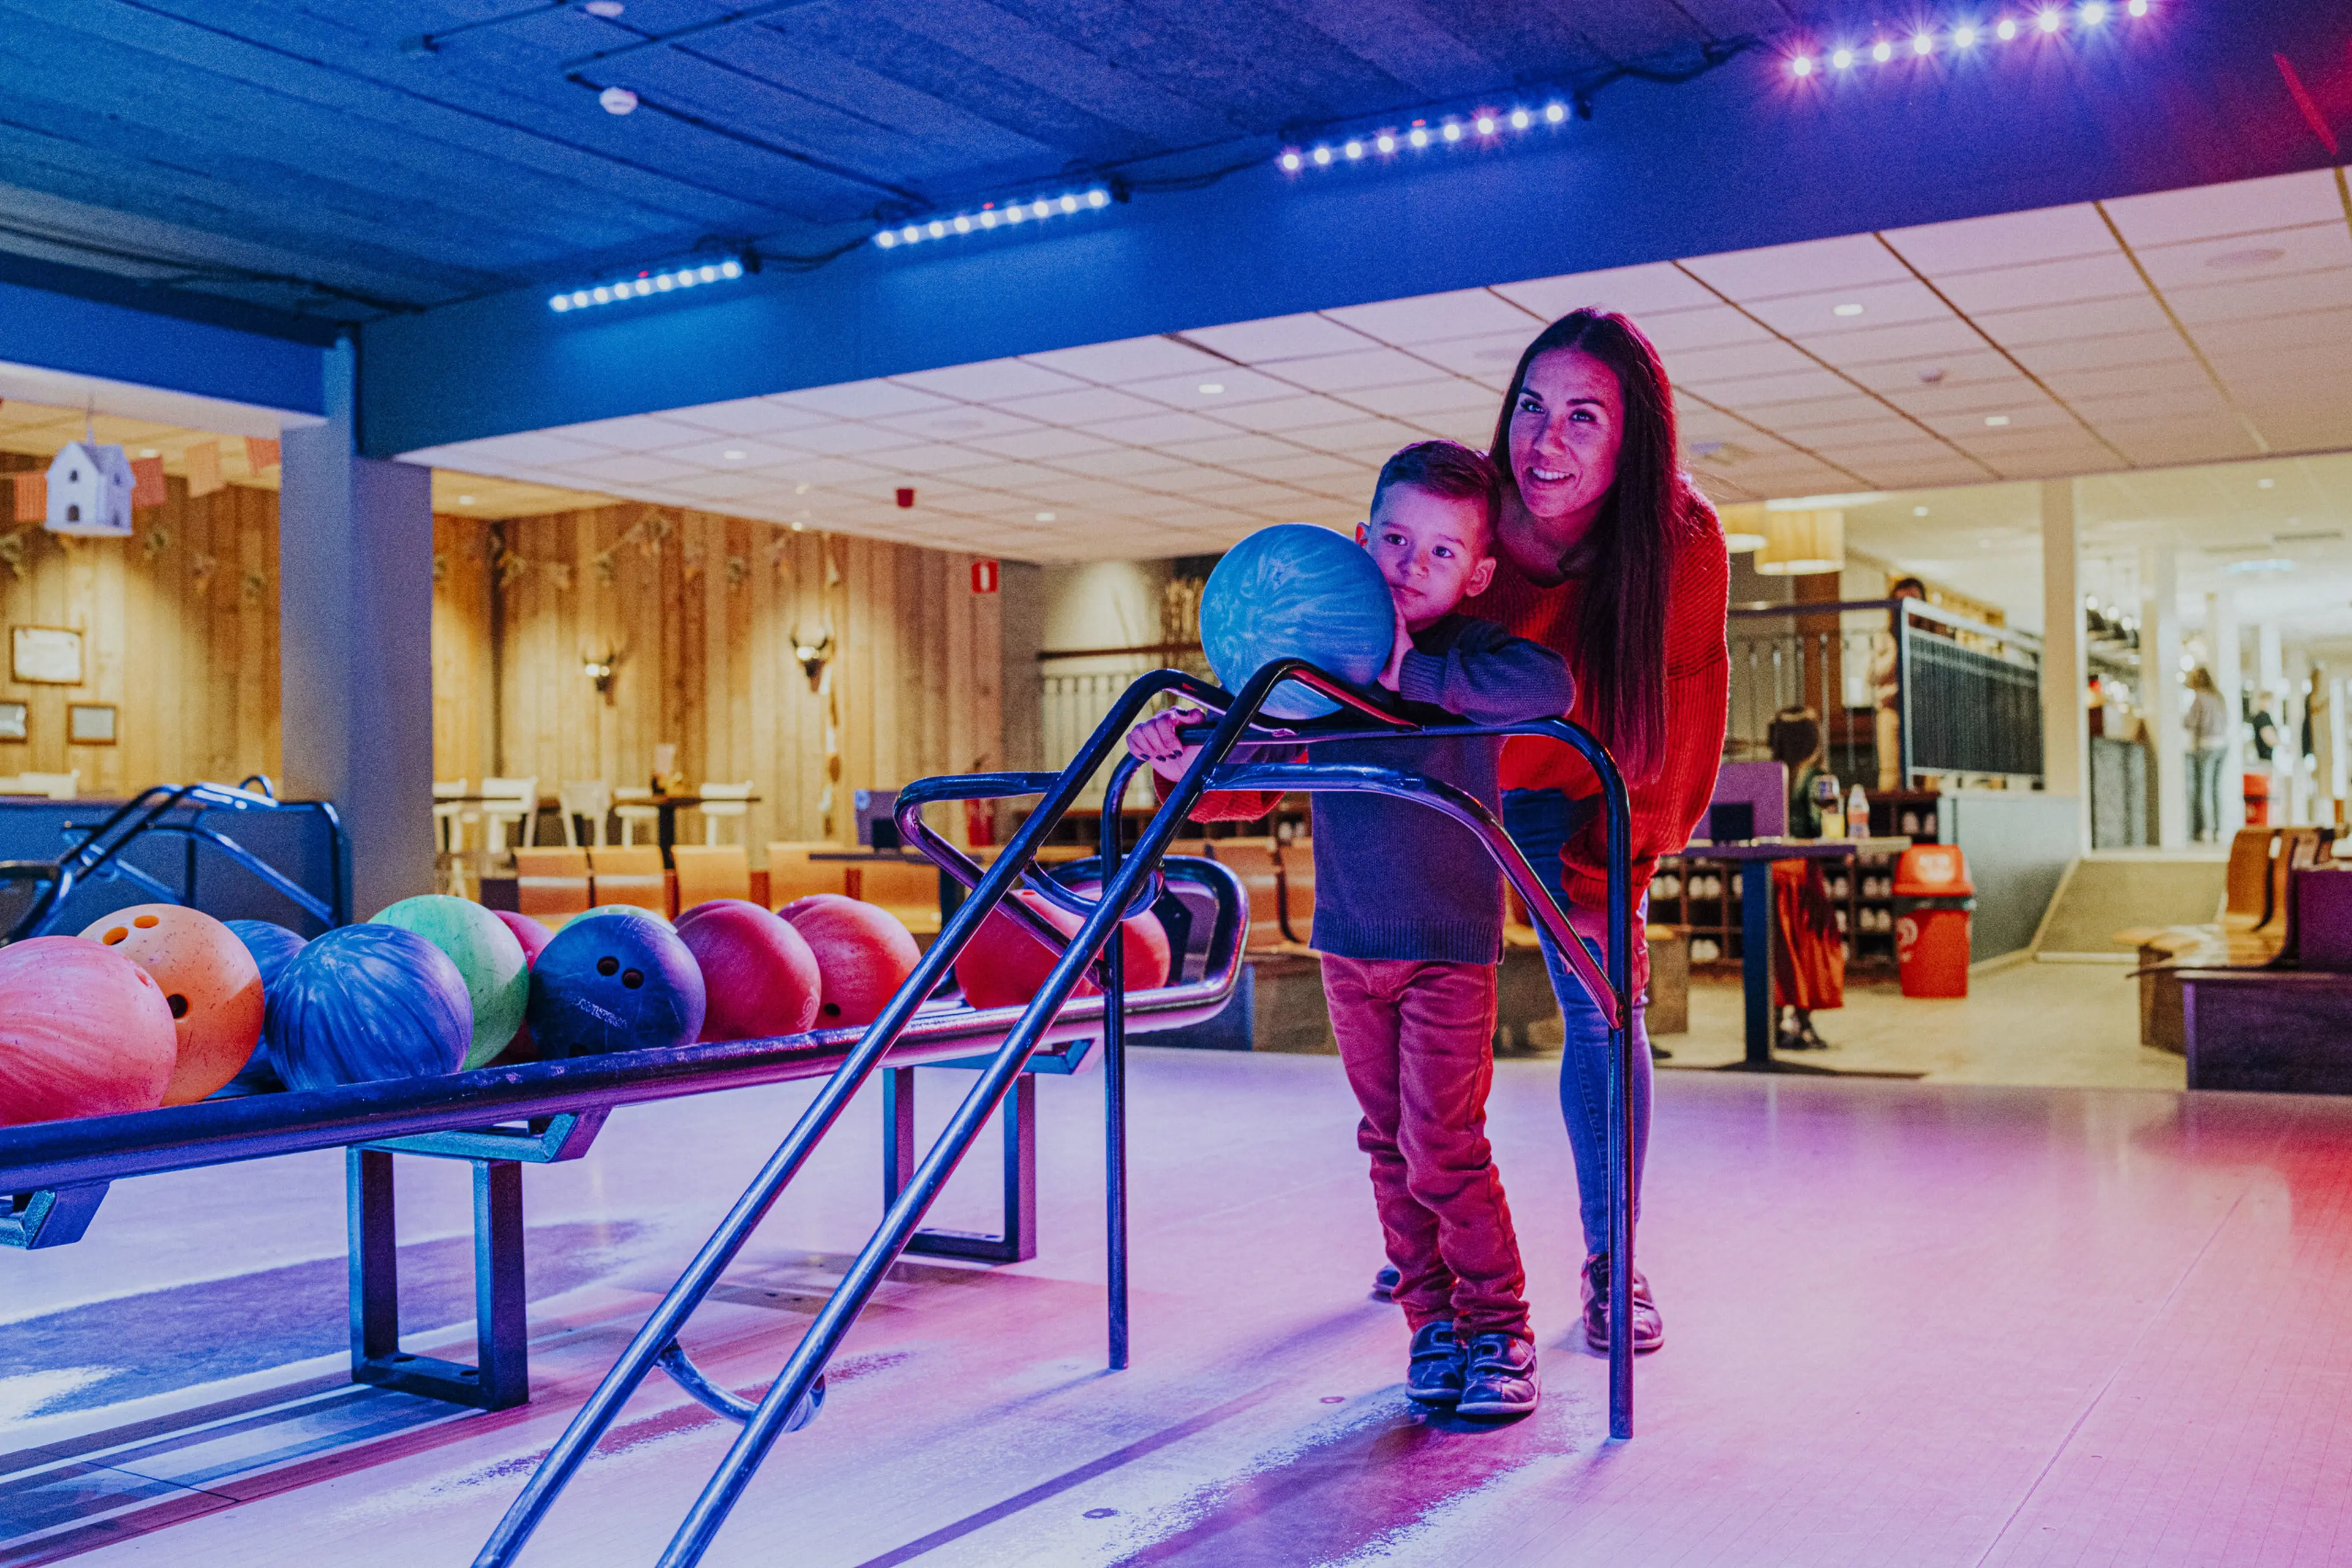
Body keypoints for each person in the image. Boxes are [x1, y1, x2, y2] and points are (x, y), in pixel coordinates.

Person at [1128, 440, 1574, 1418]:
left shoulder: (1468, 660)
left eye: (1443, 555)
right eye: (1397, 542)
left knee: (1442, 1143)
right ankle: (1434, 1326)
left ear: (1479, 574)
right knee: (1386, 1141)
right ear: (1359, 539)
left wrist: (1412, 673)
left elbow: (1550, 690)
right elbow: (1243, 786)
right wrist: (1173, 757)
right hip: (1349, 945)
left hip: (1450, 947)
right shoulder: (1315, 680)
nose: (1413, 569)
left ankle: (1499, 1327)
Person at [1455, 310, 1729, 1357]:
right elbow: (1360, 674)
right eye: (1531, 406)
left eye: (1583, 416)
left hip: (1586, 791)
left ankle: (1613, 1257)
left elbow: (1676, 735)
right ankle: (1430, 1226)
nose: (1545, 440)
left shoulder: (1681, 541)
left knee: (1608, 1010)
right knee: (1427, 1004)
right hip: (1460, 776)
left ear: (1632, 440)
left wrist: (1610, 875)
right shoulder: (1467, 512)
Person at [1765, 706, 1845, 1050]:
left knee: (1778, 953)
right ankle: (1803, 1022)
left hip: (1770, 871)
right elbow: (1822, 826)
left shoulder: (1769, 774)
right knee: (1808, 950)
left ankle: (1776, 1025)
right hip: (1802, 874)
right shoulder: (1818, 779)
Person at [2184, 667, 2230, 843]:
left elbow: (2191, 722)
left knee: (2204, 788)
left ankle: (2206, 829)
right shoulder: (2219, 697)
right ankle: (2219, 830)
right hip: (2223, 745)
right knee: (2217, 788)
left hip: (2207, 744)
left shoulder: (2200, 698)